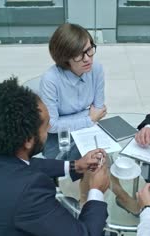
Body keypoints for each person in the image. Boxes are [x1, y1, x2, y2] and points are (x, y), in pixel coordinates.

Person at [0, 77, 115, 236]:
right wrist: (96, 191)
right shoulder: (28, 190)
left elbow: (19, 165)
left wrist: (74, 165)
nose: (49, 132)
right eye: (46, 127)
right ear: (28, 140)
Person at [39, 23, 107, 159]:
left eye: (89, 50)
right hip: (58, 139)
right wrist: (89, 118)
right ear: (65, 58)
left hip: (86, 132)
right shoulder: (50, 80)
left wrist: (64, 121)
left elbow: (99, 110)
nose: (87, 58)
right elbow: (51, 126)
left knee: (102, 164)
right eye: (78, 55)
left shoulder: (96, 69)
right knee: (70, 168)